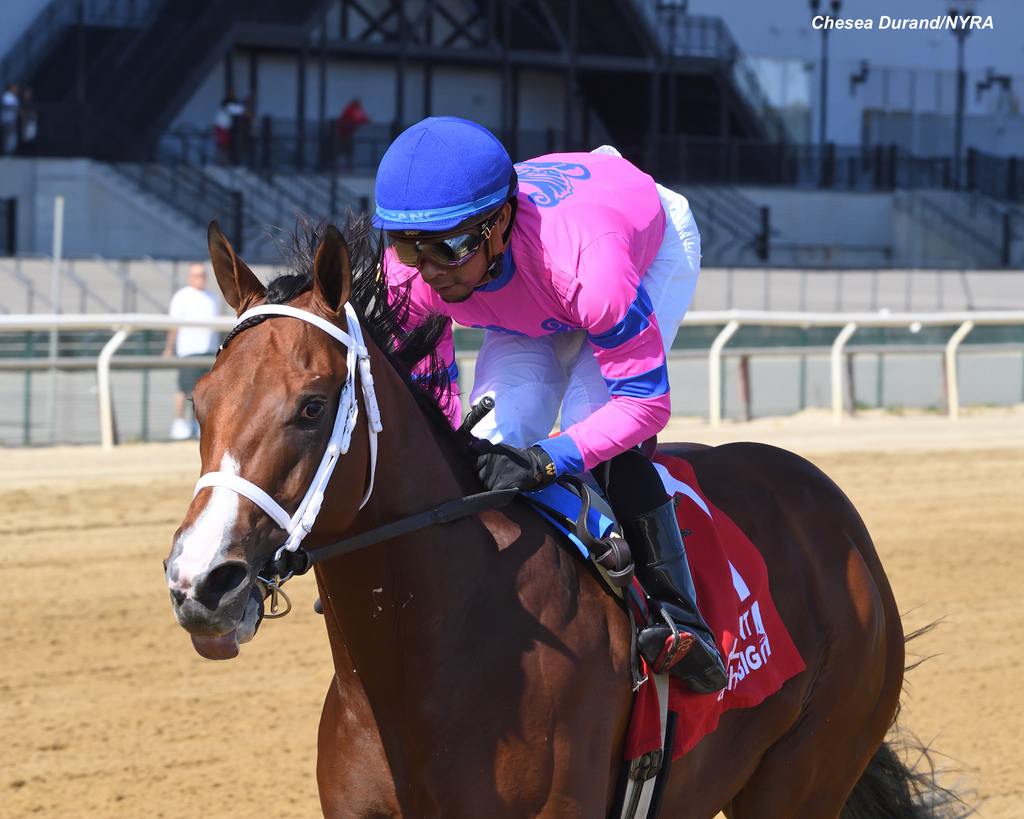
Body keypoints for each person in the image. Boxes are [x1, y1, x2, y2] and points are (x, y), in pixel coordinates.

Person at [375, 116, 726, 694]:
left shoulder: (593, 270)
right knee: (491, 440)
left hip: (635, 248)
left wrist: (545, 461)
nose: (431, 271)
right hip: (531, 284)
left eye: (448, 247)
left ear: (499, 223)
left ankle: (679, 617)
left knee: (597, 435)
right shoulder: (411, 275)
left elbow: (644, 406)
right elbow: (433, 399)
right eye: (408, 245)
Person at [163, 263, 219, 440]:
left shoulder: (213, 297)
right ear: (190, 277)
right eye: (196, 275)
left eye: (202, 275)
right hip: (189, 350)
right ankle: (179, 423)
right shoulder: (182, 296)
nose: (200, 278)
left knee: (206, 392)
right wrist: (169, 348)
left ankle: (198, 423)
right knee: (185, 389)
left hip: (209, 351)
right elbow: (174, 325)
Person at [1, 84, 19, 155]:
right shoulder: (7, 96)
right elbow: (9, 107)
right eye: (15, 88)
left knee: (11, 137)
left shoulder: (13, 97)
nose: (16, 90)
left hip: (11, 120)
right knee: (7, 137)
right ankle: (6, 153)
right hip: (7, 120)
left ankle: (9, 152)